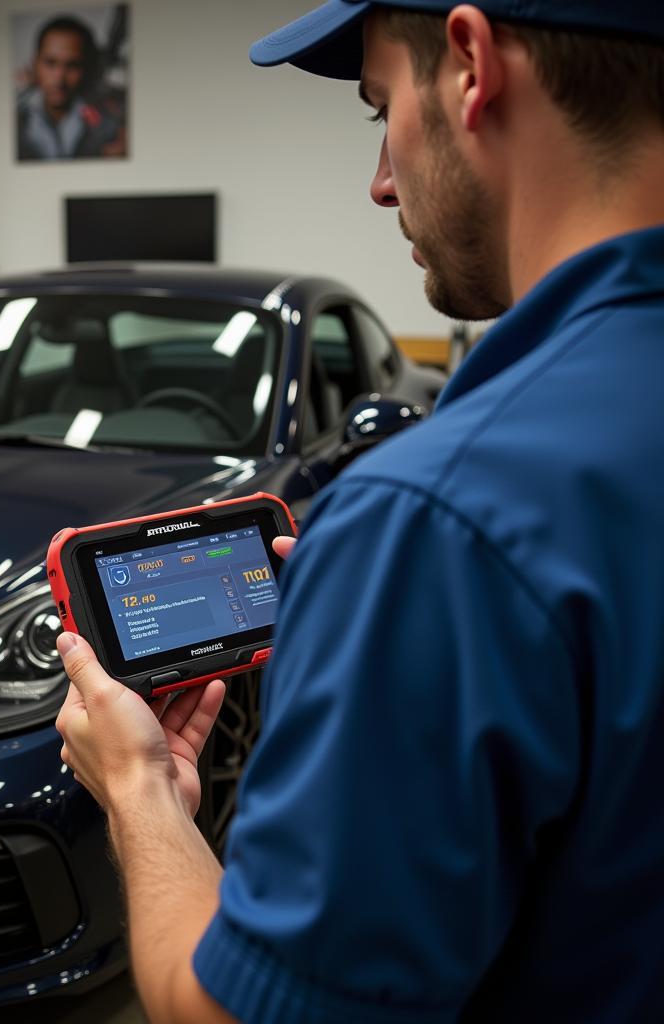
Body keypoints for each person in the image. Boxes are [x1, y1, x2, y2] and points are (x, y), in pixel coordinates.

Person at [54, 2, 664, 1022]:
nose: (381, 179)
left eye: (380, 107)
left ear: (470, 66)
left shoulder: (437, 522)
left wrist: (138, 792)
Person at [16, 15, 125, 161]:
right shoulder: (14, 121)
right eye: (50, 63)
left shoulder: (109, 127)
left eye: (72, 66)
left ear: (86, 68)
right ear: (35, 63)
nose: (59, 78)